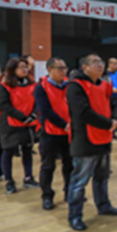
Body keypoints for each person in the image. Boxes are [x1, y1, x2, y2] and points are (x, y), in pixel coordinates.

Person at [66, 54, 117, 231]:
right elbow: (82, 112)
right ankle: (75, 216)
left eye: (101, 62)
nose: (100, 65)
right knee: (79, 181)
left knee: (102, 177)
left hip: (104, 137)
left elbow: (115, 103)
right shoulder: (75, 86)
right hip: (85, 139)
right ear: (85, 67)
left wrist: (116, 119)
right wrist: (108, 123)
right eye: (95, 62)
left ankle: (104, 205)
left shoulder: (105, 85)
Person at [34, 57, 72, 210]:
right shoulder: (41, 87)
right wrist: (64, 124)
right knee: (48, 166)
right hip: (50, 133)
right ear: (49, 70)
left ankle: (70, 192)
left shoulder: (70, 86)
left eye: (65, 68)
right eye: (60, 68)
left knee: (70, 165)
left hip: (69, 132)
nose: (63, 71)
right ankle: (47, 196)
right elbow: (45, 111)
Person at [0, 57, 39, 194]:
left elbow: (38, 101)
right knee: (8, 152)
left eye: (26, 67)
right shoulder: (4, 86)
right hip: (11, 123)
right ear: (12, 69)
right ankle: (9, 181)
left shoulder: (33, 85)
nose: (25, 69)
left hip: (29, 123)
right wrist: (22, 117)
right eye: (21, 67)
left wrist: (33, 115)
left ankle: (28, 178)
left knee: (27, 150)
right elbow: (4, 105)